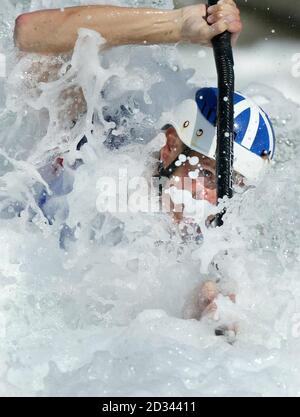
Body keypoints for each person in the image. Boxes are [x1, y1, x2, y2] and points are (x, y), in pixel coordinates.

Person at [13, 1, 275, 335]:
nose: (211, 199)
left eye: (229, 184)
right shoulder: (96, 141)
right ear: (169, 147)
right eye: (207, 174)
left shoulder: (219, 238)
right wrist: (177, 26)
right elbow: (30, 34)